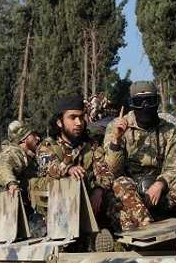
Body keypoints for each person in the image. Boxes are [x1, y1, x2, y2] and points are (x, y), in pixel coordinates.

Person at [105, 81, 176, 230]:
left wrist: (160, 184)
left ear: (157, 102)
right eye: (139, 102)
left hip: (162, 193)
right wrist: (116, 139)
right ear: (132, 104)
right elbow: (112, 170)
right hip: (131, 195)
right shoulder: (117, 127)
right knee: (121, 182)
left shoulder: (169, 130)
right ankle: (148, 230)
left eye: (150, 101)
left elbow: (173, 167)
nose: (145, 107)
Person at [38, 95, 120, 250]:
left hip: (89, 206)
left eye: (81, 117)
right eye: (72, 118)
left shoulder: (91, 146)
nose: (78, 123)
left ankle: (123, 240)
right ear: (59, 122)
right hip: (58, 212)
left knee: (117, 192)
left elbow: (105, 172)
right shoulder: (47, 146)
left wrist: (99, 189)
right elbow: (48, 165)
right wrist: (68, 168)